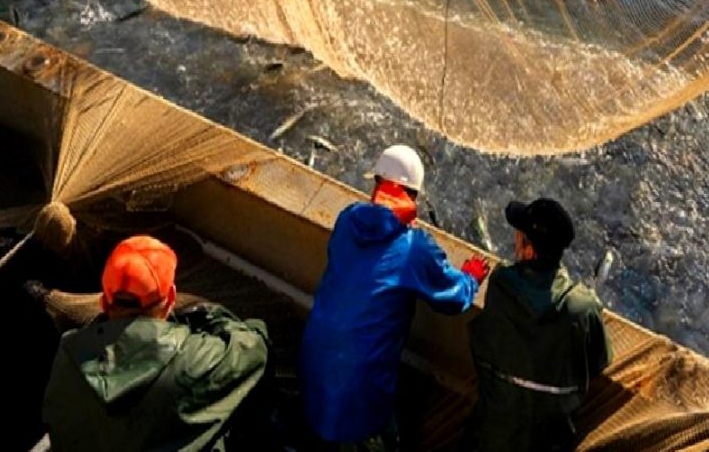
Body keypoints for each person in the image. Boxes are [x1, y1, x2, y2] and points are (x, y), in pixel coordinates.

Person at [300, 144, 490, 449]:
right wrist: (471, 278)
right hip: (359, 390)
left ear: (376, 184)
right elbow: (452, 298)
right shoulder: (415, 246)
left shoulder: (347, 220)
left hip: (312, 368)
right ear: (412, 196)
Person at [42, 235, 270, 451]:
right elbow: (255, 346)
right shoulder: (192, 360)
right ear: (171, 298)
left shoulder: (68, 349)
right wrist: (212, 316)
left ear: (103, 301)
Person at [466, 198, 613, 452]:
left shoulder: (501, 285)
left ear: (530, 250)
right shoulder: (583, 307)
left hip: (491, 439)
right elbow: (600, 360)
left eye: (519, 236)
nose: (515, 240)